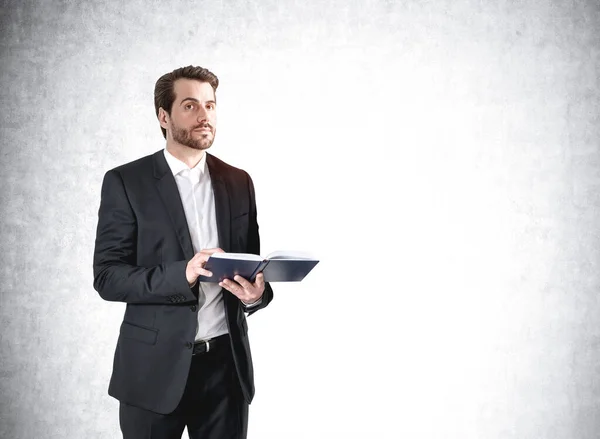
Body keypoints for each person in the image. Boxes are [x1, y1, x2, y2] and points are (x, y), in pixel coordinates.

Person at [93, 65, 274, 439]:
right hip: (152, 372)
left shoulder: (238, 181)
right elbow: (108, 277)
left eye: (210, 105)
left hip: (227, 370)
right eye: (190, 105)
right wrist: (184, 273)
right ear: (164, 116)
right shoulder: (127, 182)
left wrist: (257, 295)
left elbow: (250, 268)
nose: (204, 114)